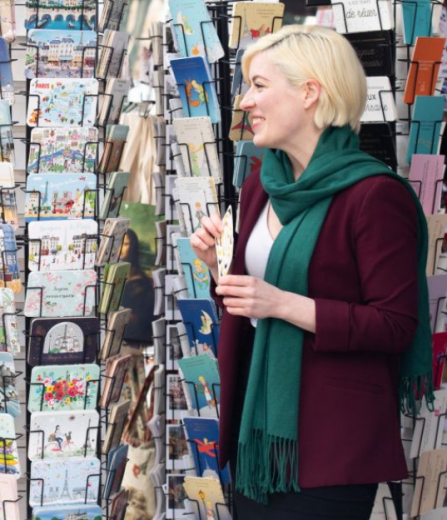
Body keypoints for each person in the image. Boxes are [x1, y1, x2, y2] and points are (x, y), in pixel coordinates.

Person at [191, 25, 432, 519]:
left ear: (309, 92)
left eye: (258, 85)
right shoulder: (263, 185)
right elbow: (250, 308)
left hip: (331, 448)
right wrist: (219, 270)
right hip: (257, 440)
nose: (243, 102)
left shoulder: (374, 196)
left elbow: (395, 324)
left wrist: (281, 303)